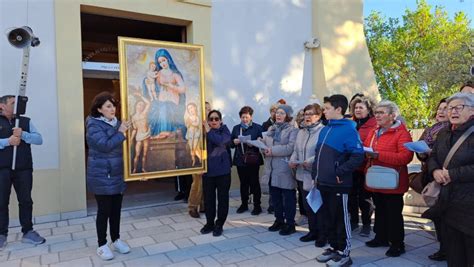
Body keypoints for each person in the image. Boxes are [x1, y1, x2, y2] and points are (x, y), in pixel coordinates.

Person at [313, 94, 364, 266]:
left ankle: (344, 253)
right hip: (323, 182)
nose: (323, 111)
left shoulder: (349, 129)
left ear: (338, 109)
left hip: (338, 183)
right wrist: (315, 175)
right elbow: (318, 155)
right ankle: (334, 248)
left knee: (340, 218)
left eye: (326, 108)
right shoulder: (325, 129)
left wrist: (338, 172)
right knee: (328, 217)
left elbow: (357, 157)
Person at [427, 93, 474, 267]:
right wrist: (435, 171)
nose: (453, 111)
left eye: (458, 107)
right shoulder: (443, 133)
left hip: (470, 204)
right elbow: (433, 156)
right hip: (447, 202)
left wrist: (452, 174)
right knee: (453, 252)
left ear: (472, 110)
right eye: (450, 108)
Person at [363, 100, 413, 258]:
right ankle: (381, 237)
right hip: (375, 178)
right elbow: (366, 147)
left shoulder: (402, 133)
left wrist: (379, 155)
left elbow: (405, 157)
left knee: (393, 214)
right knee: (380, 210)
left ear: (392, 115)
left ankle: (397, 244)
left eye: (381, 112)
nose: (377, 115)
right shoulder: (373, 131)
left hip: (392, 182)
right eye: (376, 112)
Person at [85, 92, 131, 260]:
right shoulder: (93, 125)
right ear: (99, 109)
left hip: (117, 173)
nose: (113, 109)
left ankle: (116, 239)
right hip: (101, 174)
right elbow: (105, 145)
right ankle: (102, 244)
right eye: (108, 106)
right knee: (104, 210)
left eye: (114, 105)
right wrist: (120, 132)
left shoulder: (117, 123)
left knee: (116, 210)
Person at [0, 95, 46, 250]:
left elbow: (39, 139)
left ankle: (28, 231)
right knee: (1, 202)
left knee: (26, 200)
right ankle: (1, 234)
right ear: (2, 106)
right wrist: (8, 141)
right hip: (2, 169)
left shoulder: (25, 121)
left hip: (23, 169)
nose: (17, 106)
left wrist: (23, 135)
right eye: (13, 103)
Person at [288, 103, 326, 246]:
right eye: (305, 114)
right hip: (301, 174)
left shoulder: (323, 131)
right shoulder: (301, 132)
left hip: (314, 175)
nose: (307, 117)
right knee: (307, 206)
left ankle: (323, 235)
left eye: (311, 114)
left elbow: (321, 153)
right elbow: (296, 150)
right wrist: (293, 160)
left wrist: (308, 161)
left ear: (318, 116)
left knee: (318, 206)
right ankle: (312, 231)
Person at [416, 98, 449, 261]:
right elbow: (420, 152)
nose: (441, 111)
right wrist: (422, 152)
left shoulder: (451, 131)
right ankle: (442, 247)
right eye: (440, 108)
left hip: (444, 177)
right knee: (436, 216)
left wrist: (432, 153)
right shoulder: (430, 129)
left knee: (445, 216)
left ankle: (447, 249)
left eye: (445, 108)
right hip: (428, 174)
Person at [261, 104, 298, 236]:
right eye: (277, 112)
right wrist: (261, 144)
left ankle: (290, 224)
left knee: (288, 198)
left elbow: (290, 147)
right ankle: (279, 220)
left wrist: (272, 150)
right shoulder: (271, 128)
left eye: (282, 113)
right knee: (275, 197)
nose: (278, 115)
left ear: (287, 116)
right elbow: (267, 145)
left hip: (284, 168)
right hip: (271, 168)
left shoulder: (293, 130)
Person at [348, 96, 377, 236]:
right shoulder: (350, 123)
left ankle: (366, 224)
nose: (358, 110)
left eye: (361, 107)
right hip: (351, 166)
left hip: (365, 166)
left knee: (365, 198)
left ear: (369, 109)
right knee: (351, 196)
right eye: (356, 107)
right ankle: (353, 221)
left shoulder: (374, 124)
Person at [200, 110, 232, 237]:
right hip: (207, 172)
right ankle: (209, 223)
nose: (213, 121)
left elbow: (221, 142)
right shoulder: (203, 131)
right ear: (208, 121)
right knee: (209, 199)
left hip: (223, 172)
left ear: (220, 120)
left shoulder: (225, 131)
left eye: (216, 119)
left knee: (223, 199)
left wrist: (208, 131)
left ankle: (219, 224)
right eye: (211, 119)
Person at [231, 106, 264, 215]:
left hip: (253, 159)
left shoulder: (257, 128)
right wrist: (234, 141)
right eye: (242, 117)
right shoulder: (236, 128)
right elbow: (230, 144)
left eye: (247, 117)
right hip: (241, 159)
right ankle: (244, 204)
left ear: (251, 116)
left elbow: (263, 142)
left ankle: (257, 205)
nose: (245, 119)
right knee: (243, 183)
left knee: (254, 182)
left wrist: (256, 141)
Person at [148, 49, 187, 139]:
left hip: (173, 101)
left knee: (167, 111)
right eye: (160, 62)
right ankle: (161, 135)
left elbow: (183, 89)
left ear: (168, 59)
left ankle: (169, 134)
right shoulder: (158, 74)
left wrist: (171, 86)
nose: (162, 63)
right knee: (161, 112)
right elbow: (153, 85)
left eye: (163, 60)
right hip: (162, 100)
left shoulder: (175, 74)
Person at [188, 101, 212, 218]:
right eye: (205, 108)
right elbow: (194, 143)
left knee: (207, 183)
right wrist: (200, 159)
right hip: (198, 157)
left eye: (209, 108)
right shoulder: (196, 125)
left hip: (210, 158)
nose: (207, 110)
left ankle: (204, 205)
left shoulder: (212, 123)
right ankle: (192, 207)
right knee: (197, 183)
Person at [130, 91, 151, 173]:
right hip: (139, 136)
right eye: (139, 104)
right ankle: (134, 169)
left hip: (146, 135)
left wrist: (141, 95)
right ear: (136, 106)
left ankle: (143, 168)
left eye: (142, 105)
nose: (141, 106)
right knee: (137, 154)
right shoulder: (133, 117)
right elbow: (135, 129)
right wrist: (131, 139)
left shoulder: (144, 113)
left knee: (145, 154)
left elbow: (148, 103)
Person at [185, 102, 202, 166]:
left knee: (195, 147)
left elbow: (197, 124)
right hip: (190, 134)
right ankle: (193, 160)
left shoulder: (197, 117)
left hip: (195, 134)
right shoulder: (189, 117)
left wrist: (191, 123)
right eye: (189, 109)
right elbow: (187, 125)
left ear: (195, 108)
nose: (191, 110)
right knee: (191, 149)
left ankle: (200, 159)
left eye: (191, 107)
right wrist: (188, 123)